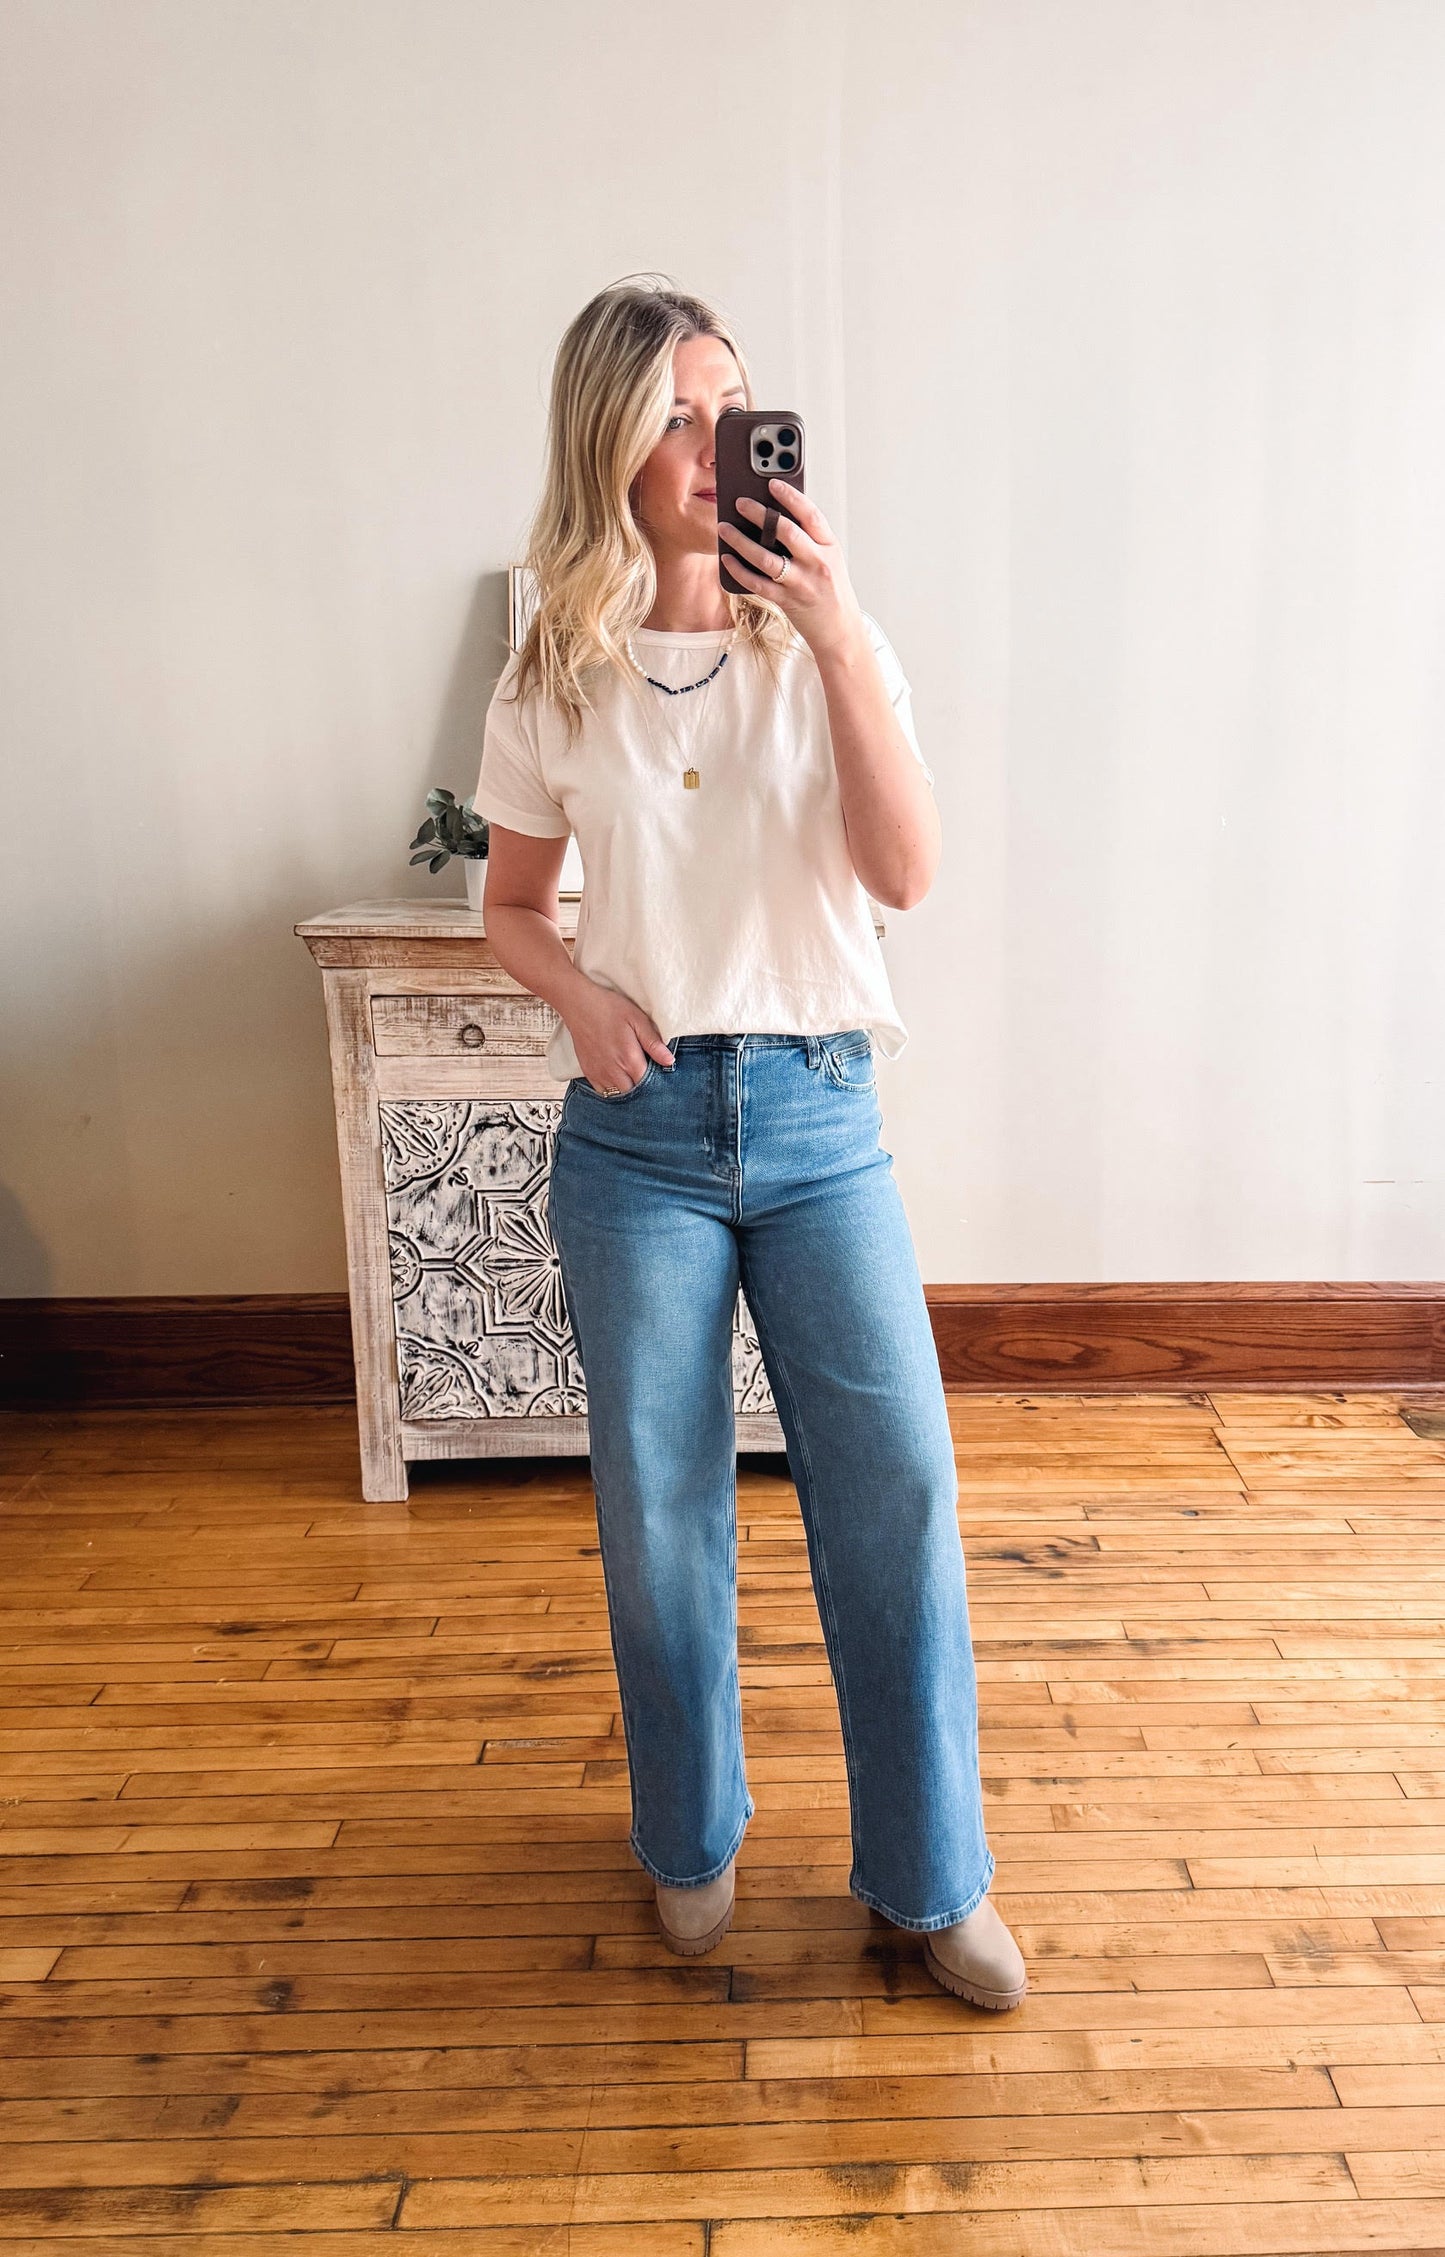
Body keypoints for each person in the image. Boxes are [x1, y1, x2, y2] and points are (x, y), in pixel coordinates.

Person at [473, 274, 1026, 2011]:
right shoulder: (549, 665)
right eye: (678, 413)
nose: (717, 444)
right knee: (659, 1509)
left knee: (899, 1490)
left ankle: (931, 1878)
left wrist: (843, 629)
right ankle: (690, 1839)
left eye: (734, 406)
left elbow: (904, 873)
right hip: (633, 1134)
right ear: (612, 445)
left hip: (816, 1112)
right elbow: (507, 905)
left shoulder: (823, 645)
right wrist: (574, 994)